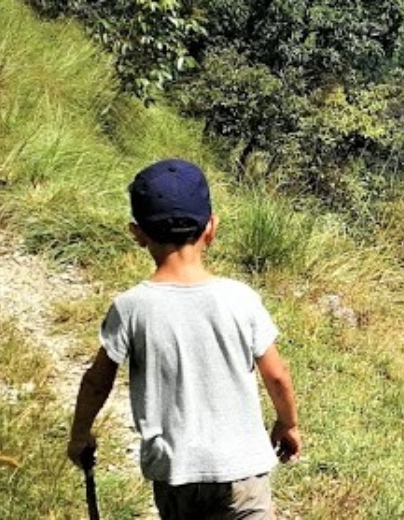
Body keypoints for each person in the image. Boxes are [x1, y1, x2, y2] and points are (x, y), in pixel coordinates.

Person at [67, 159, 300, 518]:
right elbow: (278, 375)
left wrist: (80, 435)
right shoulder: (240, 298)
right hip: (242, 474)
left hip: (177, 474)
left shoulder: (131, 307)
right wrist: (288, 423)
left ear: (137, 233)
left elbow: (98, 381)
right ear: (212, 228)